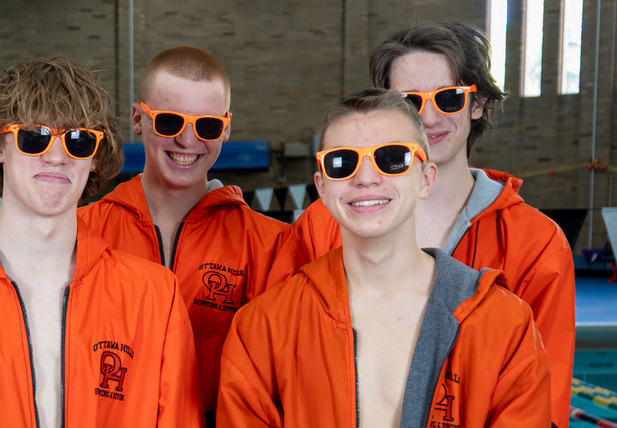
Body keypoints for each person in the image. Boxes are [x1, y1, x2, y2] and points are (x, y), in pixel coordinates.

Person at [0, 56, 204, 427]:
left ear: (94, 158)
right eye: (34, 137)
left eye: (78, 141)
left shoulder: (154, 300)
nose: (57, 157)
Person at [289, 23, 574, 426]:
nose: (428, 116)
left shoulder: (535, 242)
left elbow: (542, 401)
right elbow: (288, 358)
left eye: (448, 97)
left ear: (477, 104)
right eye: (409, 101)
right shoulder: (322, 223)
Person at [218, 88, 551, 427]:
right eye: (343, 162)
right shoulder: (264, 327)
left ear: (426, 178)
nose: (365, 178)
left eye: (392, 158)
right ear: (322, 186)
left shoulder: (505, 324)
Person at [77, 45, 296, 422]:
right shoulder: (84, 232)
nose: (188, 141)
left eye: (207, 126)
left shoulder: (271, 247)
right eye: (169, 122)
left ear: (226, 129)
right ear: (138, 119)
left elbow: (280, 381)